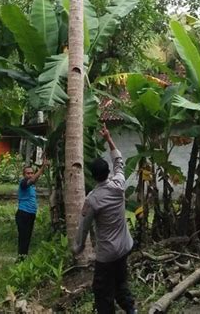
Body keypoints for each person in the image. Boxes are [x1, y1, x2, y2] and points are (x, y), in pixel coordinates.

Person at [73, 124, 136, 314]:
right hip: (124, 247)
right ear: (108, 172)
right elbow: (119, 162)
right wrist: (108, 138)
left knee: (102, 292)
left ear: (93, 176)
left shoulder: (92, 199)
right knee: (120, 282)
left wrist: (78, 247)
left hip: (107, 254)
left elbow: (84, 227)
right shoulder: (119, 185)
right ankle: (131, 310)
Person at [16, 157, 49, 261]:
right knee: (23, 236)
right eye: (28, 173)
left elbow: (35, 179)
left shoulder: (32, 185)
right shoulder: (23, 183)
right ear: (24, 175)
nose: (30, 175)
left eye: (31, 173)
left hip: (31, 213)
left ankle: (24, 256)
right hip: (23, 213)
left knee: (28, 236)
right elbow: (33, 179)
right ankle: (21, 258)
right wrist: (42, 168)